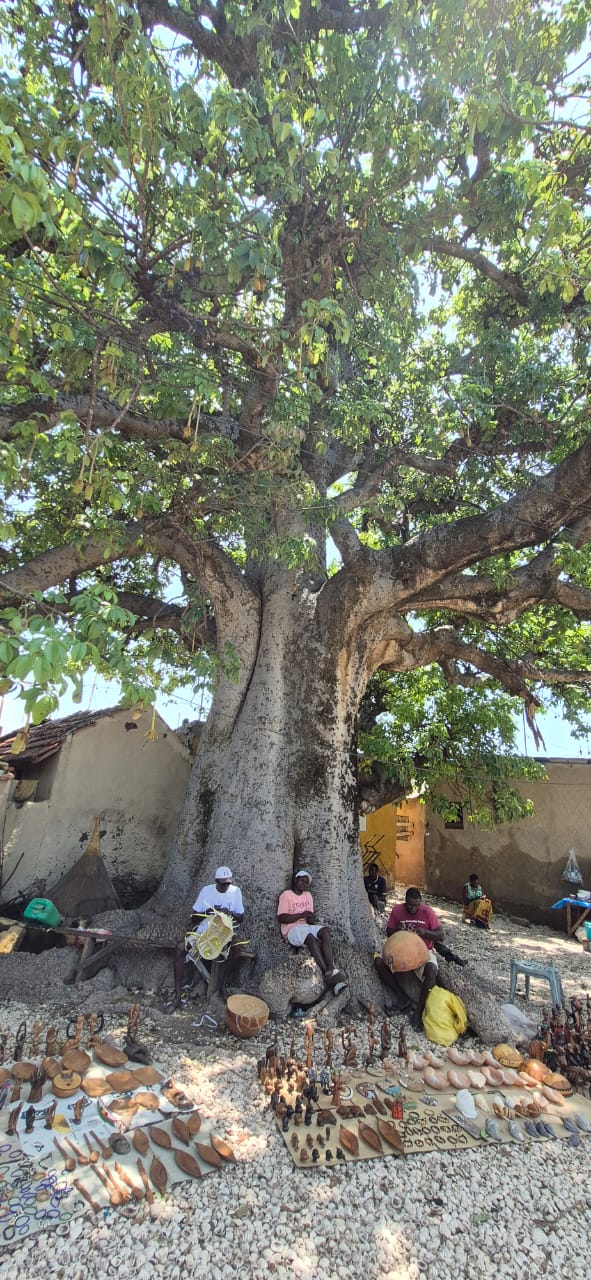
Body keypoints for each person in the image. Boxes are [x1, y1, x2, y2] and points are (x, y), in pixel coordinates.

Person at [173, 866, 245, 1007]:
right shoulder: (207, 891)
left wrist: (231, 913)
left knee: (237, 947)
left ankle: (223, 986)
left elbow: (241, 917)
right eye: (222, 883)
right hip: (204, 933)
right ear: (216, 881)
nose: (226, 886)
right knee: (180, 948)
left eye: (228, 883)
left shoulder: (236, 892)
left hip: (224, 933)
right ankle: (177, 997)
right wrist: (208, 911)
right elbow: (193, 917)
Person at [374, 887, 443, 1028]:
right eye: (409, 905)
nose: (412, 908)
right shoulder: (398, 911)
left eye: (416, 905)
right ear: (405, 902)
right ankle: (402, 998)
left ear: (420, 902)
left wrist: (425, 932)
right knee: (379, 962)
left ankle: (419, 1011)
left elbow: (441, 935)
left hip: (423, 950)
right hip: (401, 950)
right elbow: (389, 931)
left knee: (431, 970)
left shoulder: (427, 912)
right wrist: (396, 931)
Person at [277, 870, 348, 995]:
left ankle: (330, 969)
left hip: (304, 927)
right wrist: (301, 915)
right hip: (291, 931)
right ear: (295, 879)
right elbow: (282, 917)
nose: (304, 883)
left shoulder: (308, 896)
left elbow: (309, 920)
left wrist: (310, 918)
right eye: (302, 880)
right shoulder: (286, 895)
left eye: (306, 882)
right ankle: (327, 974)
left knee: (324, 931)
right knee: (310, 938)